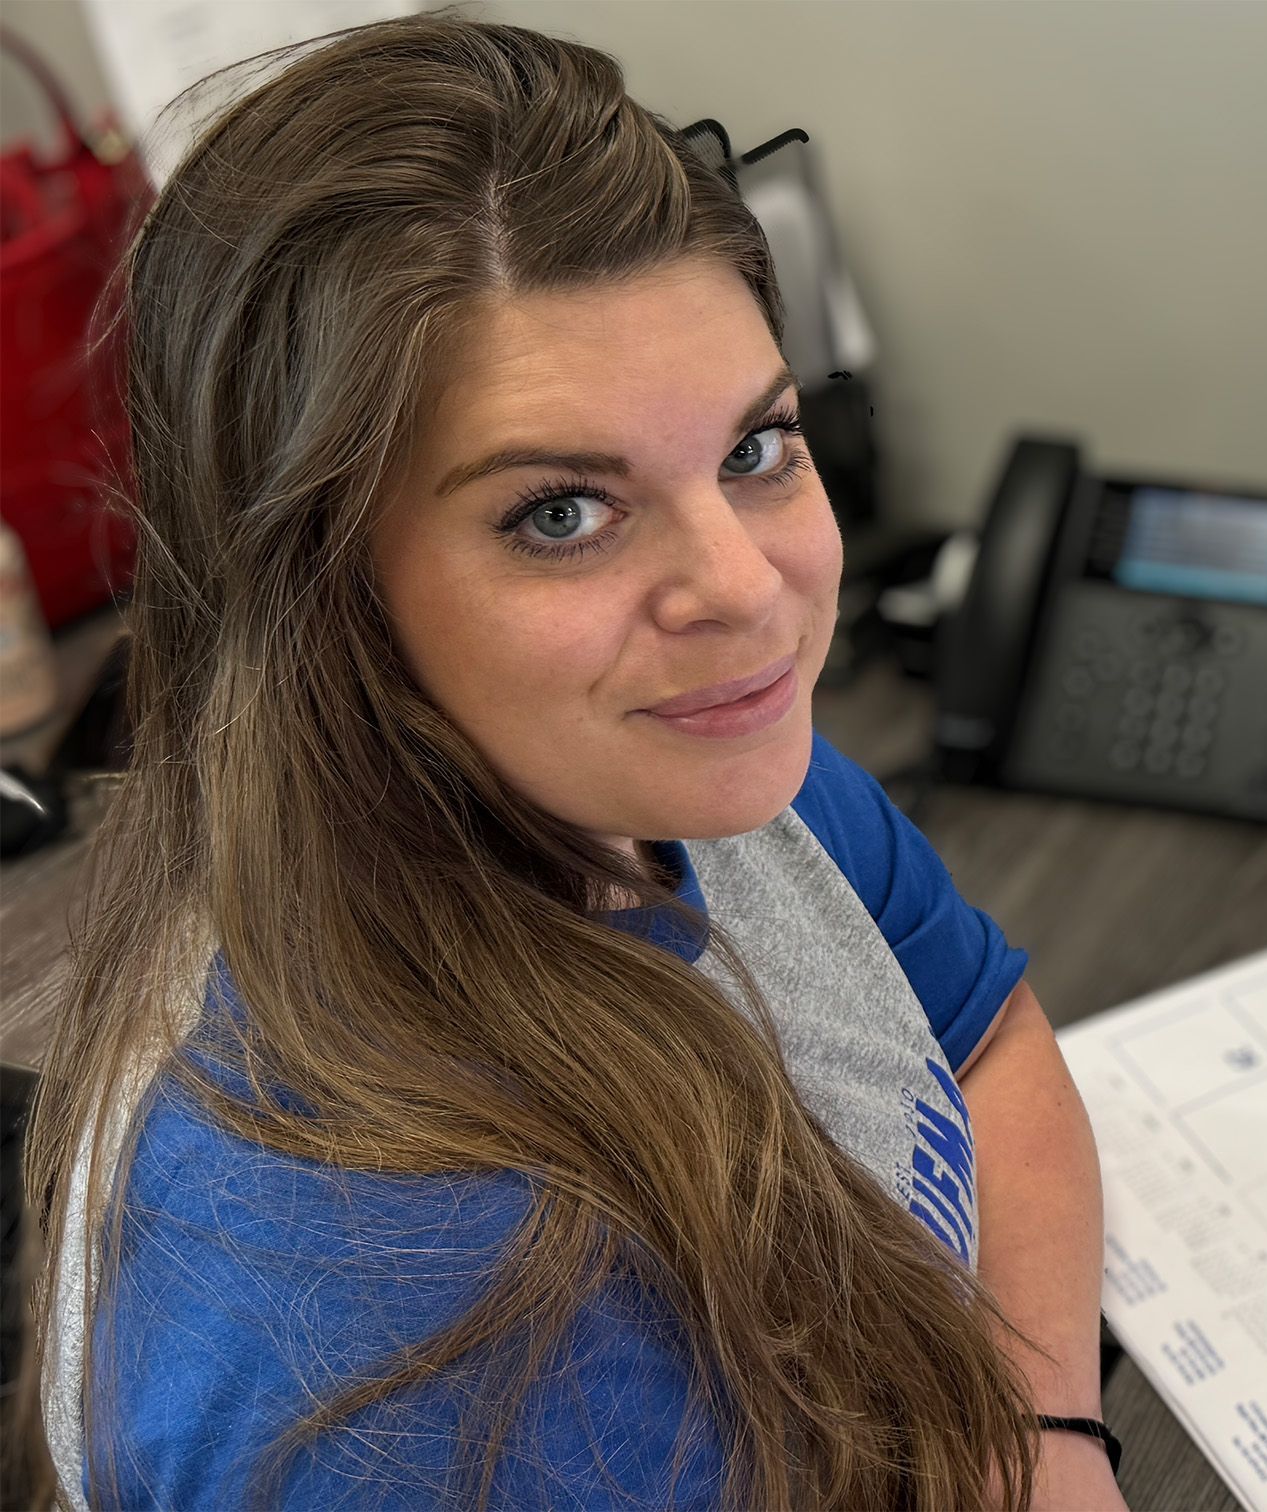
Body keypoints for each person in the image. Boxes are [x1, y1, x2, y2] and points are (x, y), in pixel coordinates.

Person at [20, 10, 1128, 1509]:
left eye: (753, 450)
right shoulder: (397, 1315)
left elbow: (989, 1043)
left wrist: (1041, 1434)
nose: (744, 591)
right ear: (323, 604)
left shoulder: (700, 781)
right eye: (560, 513)